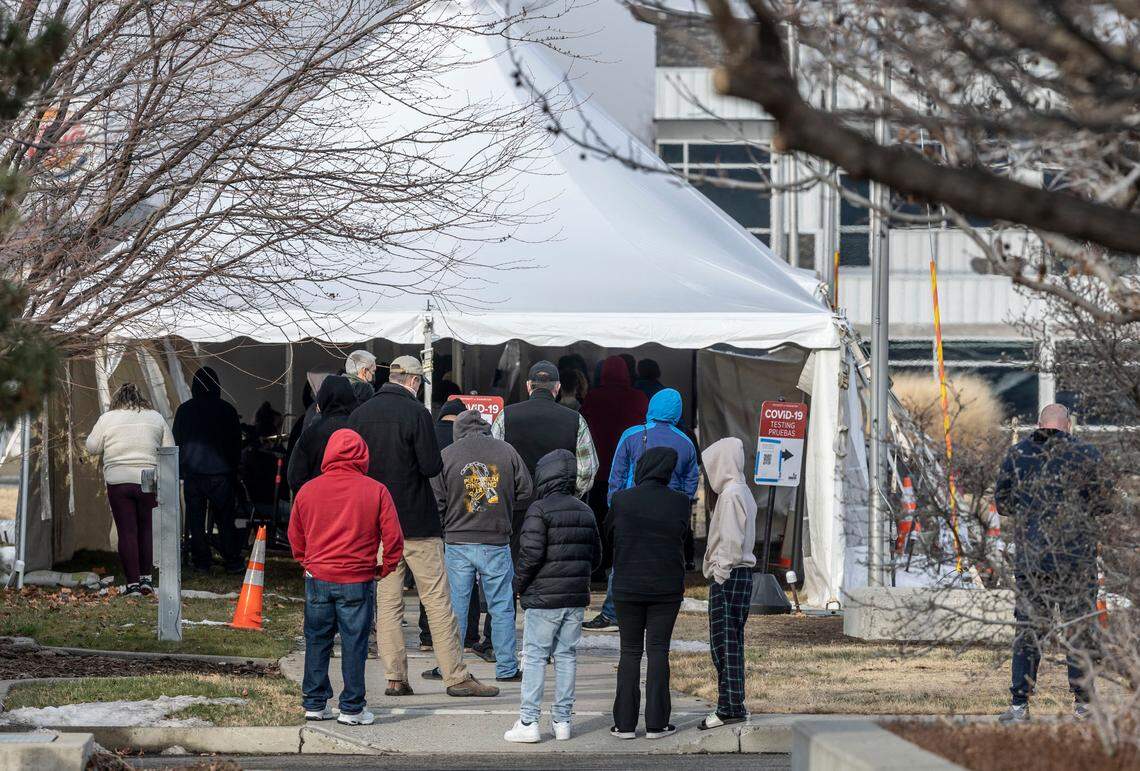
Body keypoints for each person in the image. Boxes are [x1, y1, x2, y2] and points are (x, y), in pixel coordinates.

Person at [348, 355, 498, 698]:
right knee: (436, 601)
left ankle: (395, 677)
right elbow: (431, 466)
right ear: (414, 381)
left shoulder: (360, 415)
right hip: (417, 522)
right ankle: (456, 676)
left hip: (378, 525)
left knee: (387, 604)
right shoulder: (417, 414)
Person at [995, 404, 1110, 724]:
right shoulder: (1087, 454)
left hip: (1033, 559)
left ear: (1038, 425)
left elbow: (1002, 504)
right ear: (1068, 426)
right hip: (1075, 559)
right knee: (1079, 629)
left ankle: (1019, 705)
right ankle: (1084, 704)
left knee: (1029, 631)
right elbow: (1104, 503)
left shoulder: (1017, 455)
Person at [289, 428, 405, 727]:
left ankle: (314, 703)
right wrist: (385, 567)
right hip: (357, 578)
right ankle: (351, 708)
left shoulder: (308, 490)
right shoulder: (376, 490)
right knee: (355, 644)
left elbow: (295, 535)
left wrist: (307, 561)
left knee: (317, 640)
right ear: (363, 455)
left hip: (318, 577)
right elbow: (393, 538)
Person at [505, 449, 602, 744]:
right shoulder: (585, 510)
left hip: (544, 596)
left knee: (534, 657)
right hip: (574, 597)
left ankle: (529, 721)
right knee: (566, 657)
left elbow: (530, 554)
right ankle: (562, 721)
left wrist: (519, 583)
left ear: (544, 475)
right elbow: (596, 557)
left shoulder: (539, 509)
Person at [431, 409, 533, 682]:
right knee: (501, 607)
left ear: (458, 431)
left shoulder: (447, 455)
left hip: (457, 541)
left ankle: (448, 668)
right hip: (496, 540)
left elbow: (437, 500)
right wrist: (505, 508)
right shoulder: (507, 451)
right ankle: (507, 668)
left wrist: (447, 524)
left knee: (456, 607)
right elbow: (526, 489)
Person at [586, 387, 700, 631]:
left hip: (631, 509)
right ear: (677, 411)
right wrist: (680, 505)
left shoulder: (632, 435)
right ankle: (659, 610)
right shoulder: (686, 442)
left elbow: (617, 474)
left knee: (623, 562)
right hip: (669, 512)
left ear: (652, 406)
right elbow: (691, 482)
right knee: (667, 560)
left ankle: (612, 614)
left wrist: (615, 506)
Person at [605, 447, 689, 740]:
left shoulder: (622, 500)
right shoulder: (680, 502)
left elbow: (608, 536)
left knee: (629, 652)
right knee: (658, 651)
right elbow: (686, 544)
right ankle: (657, 723)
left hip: (628, 584)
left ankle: (624, 723)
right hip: (666, 586)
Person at [491, 361, 598, 539]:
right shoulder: (575, 419)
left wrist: (508, 495)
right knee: (556, 561)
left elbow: (492, 463)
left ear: (528, 386)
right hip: (559, 506)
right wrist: (570, 495)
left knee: (519, 560)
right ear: (557, 387)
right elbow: (588, 470)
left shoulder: (505, 415)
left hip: (518, 507)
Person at [85, 383, 174, 596]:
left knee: (127, 532)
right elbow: (169, 448)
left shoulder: (107, 419)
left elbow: (92, 447)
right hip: (148, 479)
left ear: (117, 399)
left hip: (119, 481)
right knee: (146, 529)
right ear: (140, 397)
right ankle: (146, 580)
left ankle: (132, 583)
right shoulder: (156, 417)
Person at [698, 437, 757, 731]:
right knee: (731, 641)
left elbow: (731, 542)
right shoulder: (741, 491)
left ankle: (728, 706)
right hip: (739, 574)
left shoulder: (732, 495)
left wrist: (719, 573)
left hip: (730, 574)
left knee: (724, 643)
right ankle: (733, 703)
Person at [581, 356, 648, 586]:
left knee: (599, 521)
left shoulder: (593, 398)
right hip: (630, 471)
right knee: (627, 522)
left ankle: (599, 566)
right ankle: (623, 566)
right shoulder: (638, 397)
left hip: (600, 471)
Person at [172, 367, 244, 574]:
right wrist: (233, 468)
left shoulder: (184, 410)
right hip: (221, 473)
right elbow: (235, 444)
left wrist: (182, 468)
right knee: (224, 519)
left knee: (196, 519)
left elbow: (177, 440)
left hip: (193, 472)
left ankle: (201, 559)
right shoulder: (227, 410)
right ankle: (231, 558)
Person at [287, 377, 358, 493]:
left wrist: (314, 496)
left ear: (323, 397)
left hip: (318, 503)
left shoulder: (312, 432)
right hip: (352, 503)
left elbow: (295, 478)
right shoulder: (358, 429)